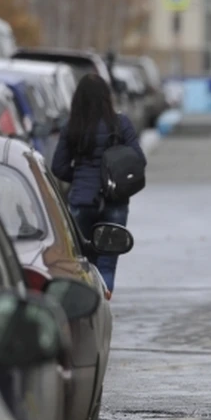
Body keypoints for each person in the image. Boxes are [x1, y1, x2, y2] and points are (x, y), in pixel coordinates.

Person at [51, 73, 146, 298]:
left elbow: (58, 166)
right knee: (107, 262)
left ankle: (85, 303)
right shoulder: (121, 124)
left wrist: (80, 176)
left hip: (82, 202)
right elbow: (139, 159)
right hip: (115, 201)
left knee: (82, 261)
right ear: (107, 97)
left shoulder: (72, 126)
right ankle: (103, 299)